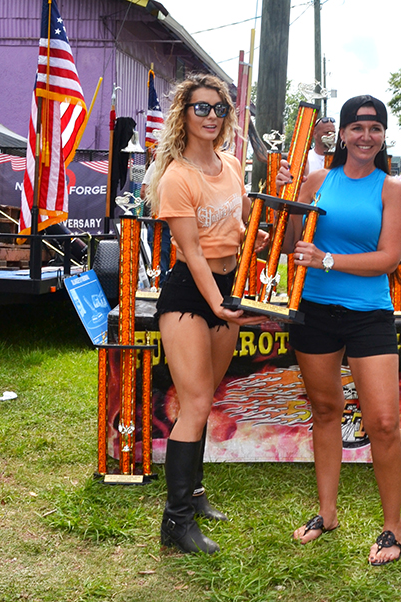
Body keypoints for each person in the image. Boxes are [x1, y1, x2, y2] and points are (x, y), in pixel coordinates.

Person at [286, 95, 401, 566]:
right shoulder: (318, 179)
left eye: (375, 128)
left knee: (381, 422)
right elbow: (294, 236)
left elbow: (388, 258)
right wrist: (288, 196)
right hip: (314, 309)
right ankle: (327, 513)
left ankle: (392, 528)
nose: (365, 136)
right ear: (341, 134)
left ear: (383, 137)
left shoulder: (391, 188)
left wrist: (330, 260)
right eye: (357, 127)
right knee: (325, 410)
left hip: (368, 314)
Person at [148, 73, 267, 555]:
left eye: (219, 108)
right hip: (189, 295)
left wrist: (251, 241)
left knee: (204, 397)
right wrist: (216, 303)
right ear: (184, 114)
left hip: (228, 286)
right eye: (201, 108)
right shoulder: (177, 175)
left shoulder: (232, 164)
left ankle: (193, 496)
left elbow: (233, 227)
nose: (212, 116)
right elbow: (192, 252)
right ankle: (174, 523)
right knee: (195, 403)